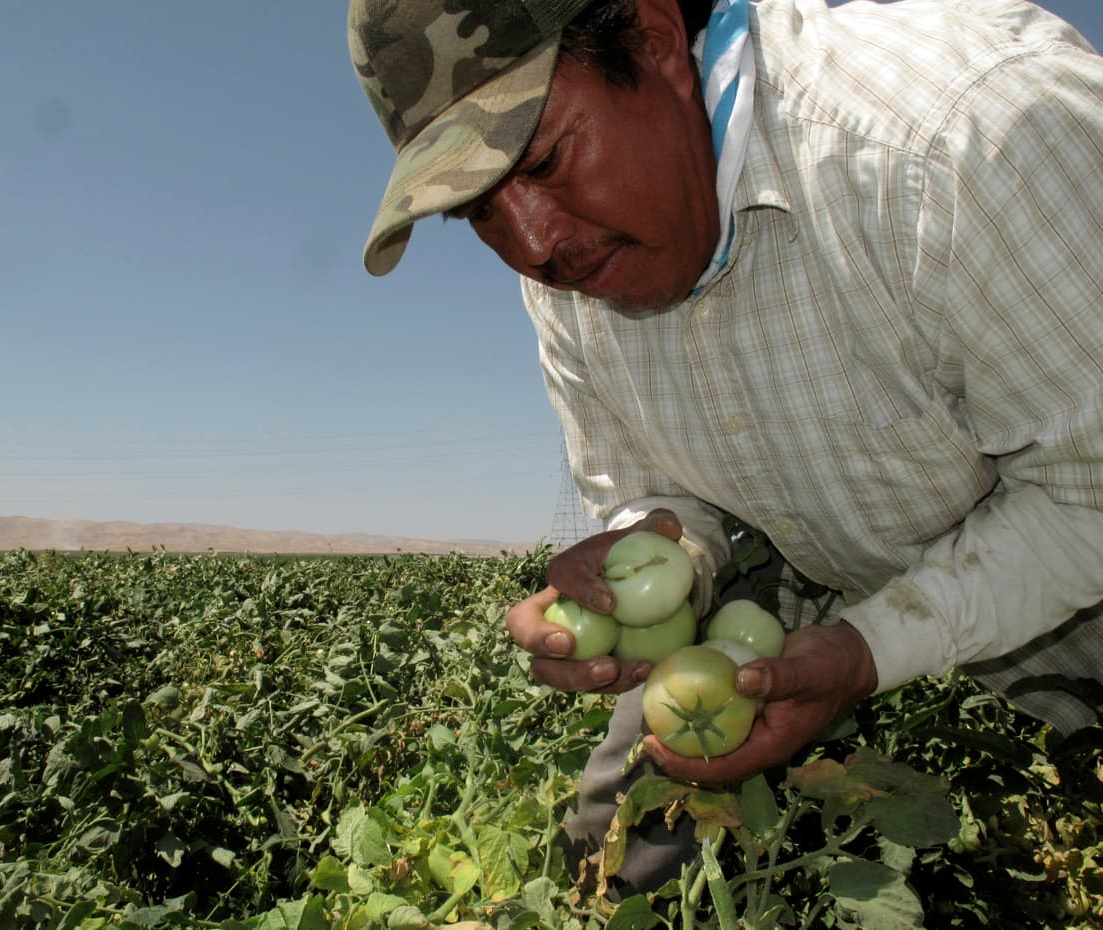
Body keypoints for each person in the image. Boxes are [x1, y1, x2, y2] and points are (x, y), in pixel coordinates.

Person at [348, 0, 1103, 895]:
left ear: (656, 38)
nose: (534, 245)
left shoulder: (963, 136)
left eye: (545, 160)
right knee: (627, 841)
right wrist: (652, 548)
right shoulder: (572, 268)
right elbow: (649, 489)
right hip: (807, 547)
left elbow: (1089, 495)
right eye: (477, 211)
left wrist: (871, 647)